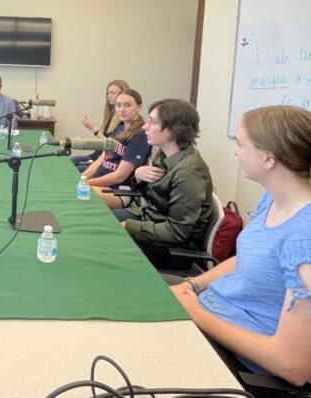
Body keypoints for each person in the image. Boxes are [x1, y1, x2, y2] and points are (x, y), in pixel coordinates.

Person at [170, 105, 311, 388]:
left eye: (241, 143)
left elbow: (292, 365)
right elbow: (246, 259)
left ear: (269, 159)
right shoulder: (271, 200)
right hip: (212, 314)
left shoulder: (304, 239)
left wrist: (194, 313)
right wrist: (192, 285)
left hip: (239, 362)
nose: (236, 151)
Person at [114, 99, 213, 270]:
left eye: (152, 122)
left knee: (103, 247)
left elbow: (176, 232)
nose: (144, 126)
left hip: (169, 250)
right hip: (153, 223)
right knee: (99, 225)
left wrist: (131, 226)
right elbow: (158, 196)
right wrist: (138, 176)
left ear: (173, 131)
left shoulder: (187, 172)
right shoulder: (165, 154)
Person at [81, 88, 152, 208]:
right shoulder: (118, 130)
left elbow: (119, 176)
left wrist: (86, 183)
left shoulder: (140, 135)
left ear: (138, 107)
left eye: (127, 105)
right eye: (118, 105)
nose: (122, 109)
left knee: (74, 193)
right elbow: (101, 160)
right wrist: (80, 178)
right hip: (98, 182)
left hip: (120, 191)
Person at [71, 79, 130, 171]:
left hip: (106, 161)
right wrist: (84, 141)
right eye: (108, 93)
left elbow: (112, 147)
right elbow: (104, 141)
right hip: (97, 156)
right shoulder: (110, 115)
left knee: (75, 169)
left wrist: (92, 129)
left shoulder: (124, 121)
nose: (109, 96)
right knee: (70, 162)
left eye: (113, 93)